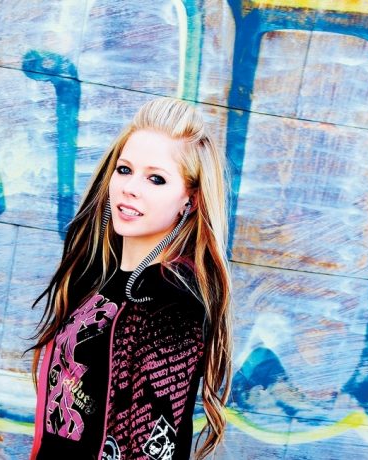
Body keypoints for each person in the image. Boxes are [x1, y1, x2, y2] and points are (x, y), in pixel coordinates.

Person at [29, 97, 232, 460]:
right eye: (125, 170)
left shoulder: (171, 304)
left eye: (156, 178)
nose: (130, 187)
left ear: (190, 199)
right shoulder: (98, 277)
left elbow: (151, 449)